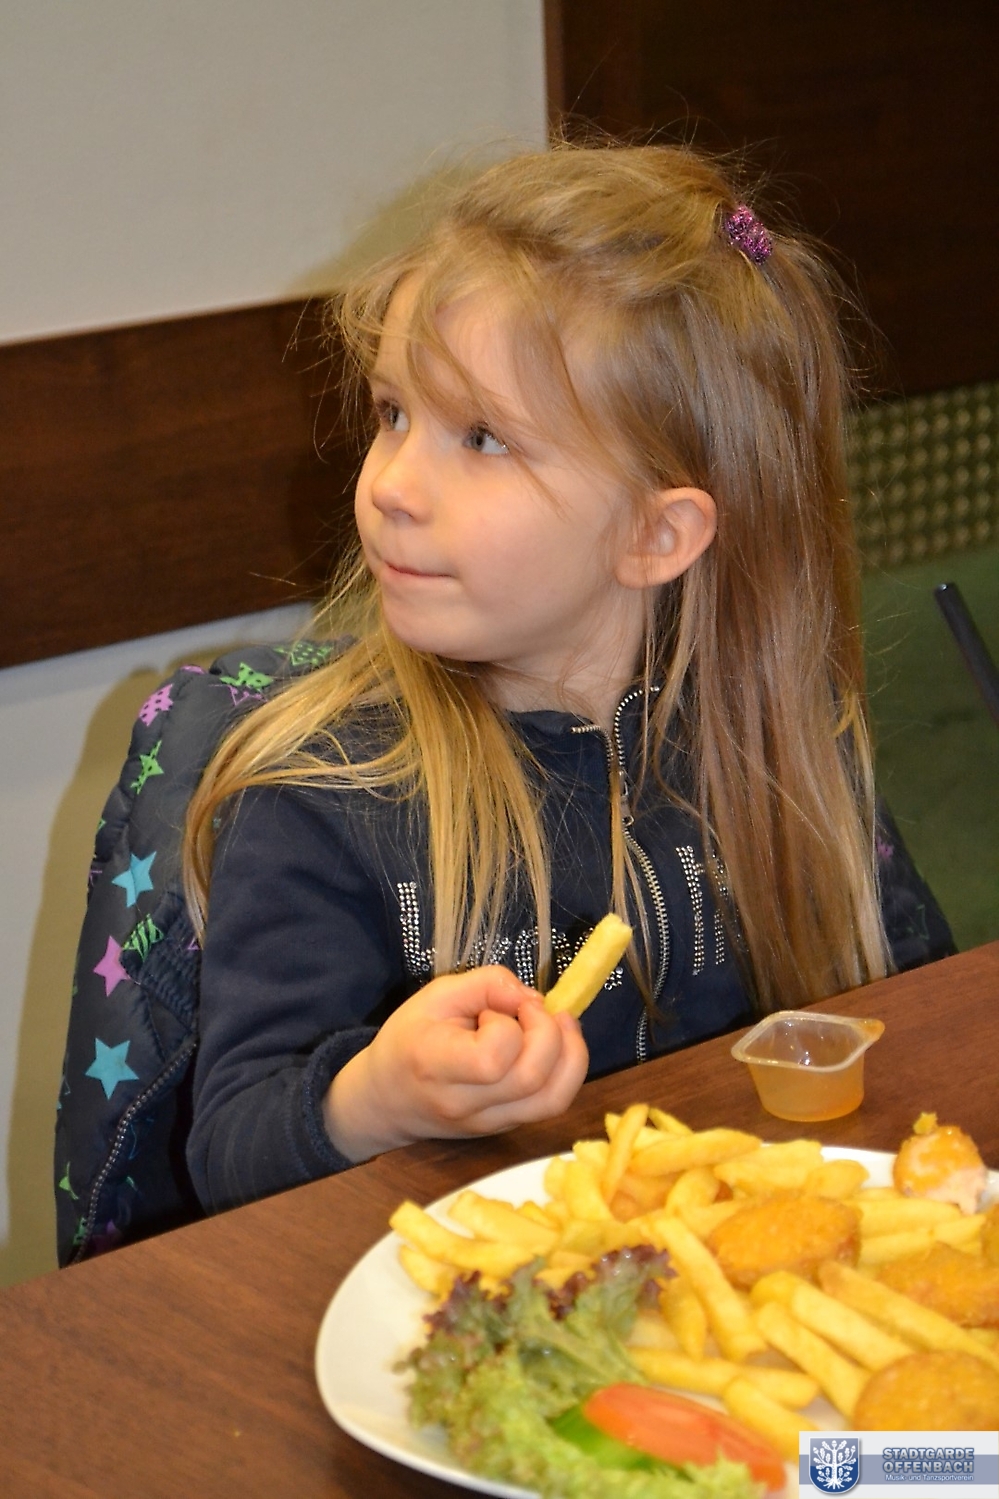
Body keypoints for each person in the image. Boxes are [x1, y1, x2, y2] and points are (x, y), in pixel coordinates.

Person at [85, 141, 958, 1234]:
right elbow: (231, 1152)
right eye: (393, 413)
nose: (392, 485)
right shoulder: (323, 792)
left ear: (656, 533)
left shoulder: (785, 752)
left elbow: (912, 1017)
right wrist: (375, 1096)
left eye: (483, 438)